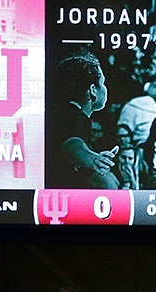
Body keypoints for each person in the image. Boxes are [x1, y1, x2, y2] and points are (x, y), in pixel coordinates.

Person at [50, 50, 119, 189]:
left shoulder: (58, 112)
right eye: (103, 83)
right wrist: (93, 159)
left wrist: (93, 156)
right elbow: (72, 145)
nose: (105, 88)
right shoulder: (78, 119)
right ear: (93, 90)